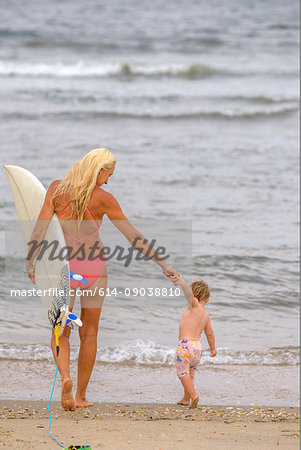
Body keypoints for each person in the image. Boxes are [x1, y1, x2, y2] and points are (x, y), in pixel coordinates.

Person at [25, 148, 177, 411]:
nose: (107, 181)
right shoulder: (104, 198)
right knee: (90, 332)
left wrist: (31, 260)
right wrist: (162, 263)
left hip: (63, 265)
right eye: (108, 175)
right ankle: (81, 396)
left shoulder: (56, 189)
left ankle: (66, 378)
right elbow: (133, 237)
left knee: (60, 328)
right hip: (93, 266)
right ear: (99, 170)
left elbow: (39, 227)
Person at [170, 274, 217, 409]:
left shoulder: (194, 305)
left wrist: (181, 282)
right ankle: (186, 399)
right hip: (197, 348)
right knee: (190, 374)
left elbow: (188, 293)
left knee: (182, 373)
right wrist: (213, 349)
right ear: (207, 299)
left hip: (185, 346)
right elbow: (209, 333)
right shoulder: (206, 315)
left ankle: (194, 396)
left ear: (195, 296)